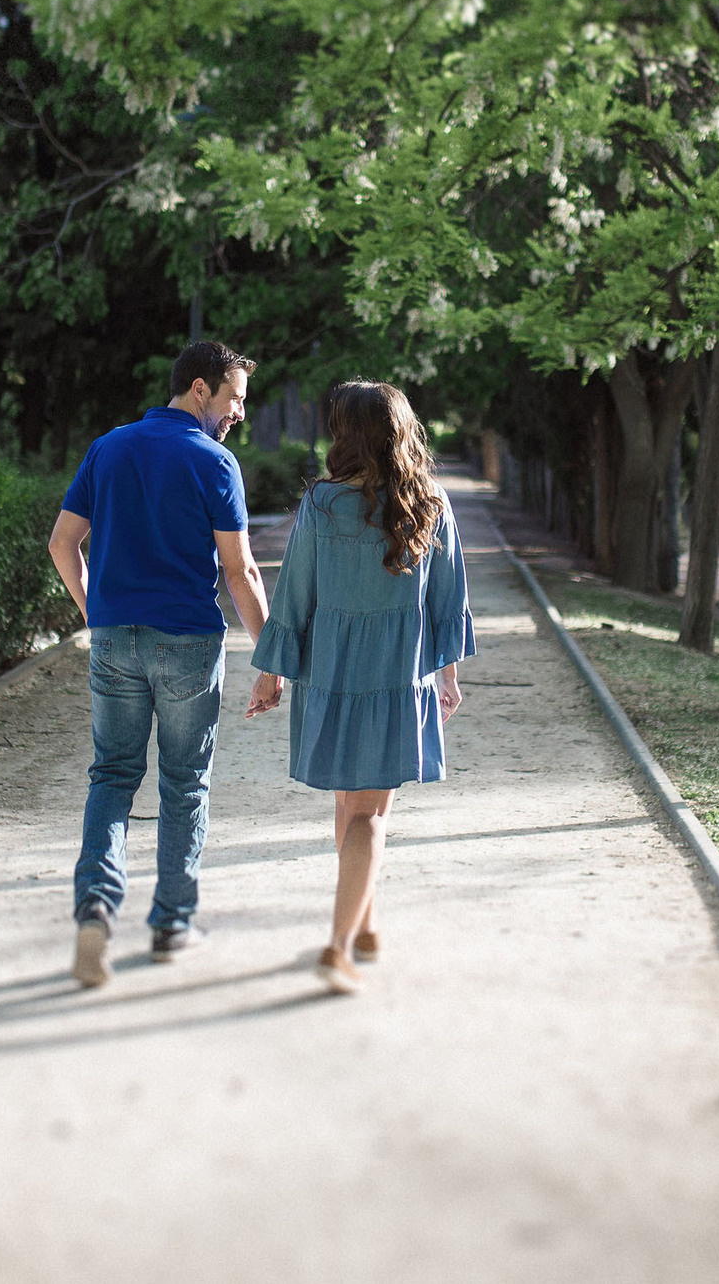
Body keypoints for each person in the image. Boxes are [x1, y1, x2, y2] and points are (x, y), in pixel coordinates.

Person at [48, 340, 270, 989]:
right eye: (234, 398)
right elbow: (240, 569)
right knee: (185, 782)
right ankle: (173, 921)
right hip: (188, 644)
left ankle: (94, 909)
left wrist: (96, 610)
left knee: (112, 775)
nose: (239, 414)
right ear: (200, 389)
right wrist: (273, 657)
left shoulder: (109, 447)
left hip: (114, 636)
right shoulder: (215, 462)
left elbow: (63, 543)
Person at [245, 380, 472, 995]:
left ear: (346, 433)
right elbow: (447, 601)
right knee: (370, 813)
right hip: (398, 673)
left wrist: (271, 673)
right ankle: (344, 943)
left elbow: (294, 594)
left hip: (333, 672)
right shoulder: (431, 503)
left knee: (351, 808)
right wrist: (447, 676)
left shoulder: (320, 503)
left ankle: (357, 933)